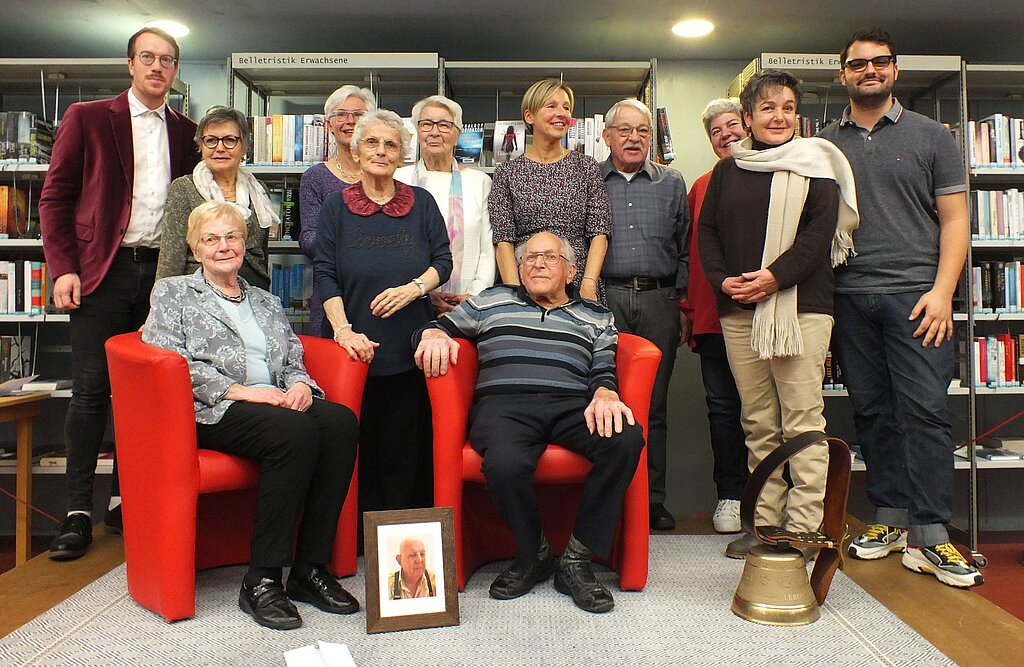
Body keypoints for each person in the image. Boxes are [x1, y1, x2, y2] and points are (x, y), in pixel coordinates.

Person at [142, 201, 360, 630]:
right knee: (294, 433)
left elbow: (292, 356)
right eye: (212, 239)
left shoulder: (265, 298)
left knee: (340, 423)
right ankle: (262, 579)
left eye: (233, 236)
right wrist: (243, 391)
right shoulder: (173, 293)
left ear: (245, 243)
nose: (224, 246)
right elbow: (167, 358)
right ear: (195, 248)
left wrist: (299, 385)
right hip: (214, 407)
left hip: (275, 401)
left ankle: (310, 569)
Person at [818, 28, 982, 588]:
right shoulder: (823, 142)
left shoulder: (933, 136)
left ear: (894, 70)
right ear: (843, 74)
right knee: (872, 412)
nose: (869, 70)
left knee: (926, 414)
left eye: (879, 62)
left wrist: (943, 292)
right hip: (849, 297)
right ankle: (888, 518)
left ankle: (932, 534)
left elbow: (956, 221)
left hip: (918, 298)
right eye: (857, 64)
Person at [413, 231, 645, 613]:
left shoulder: (596, 315)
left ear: (571, 271)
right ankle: (533, 552)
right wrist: (432, 334)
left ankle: (575, 561)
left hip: (572, 404)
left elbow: (604, 367)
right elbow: (438, 328)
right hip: (505, 405)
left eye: (550, 258)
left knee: (625, 438)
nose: (537, 263)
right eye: (530, 258)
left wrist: (605, 393)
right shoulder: (491, 300)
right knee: (504, 463)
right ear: (518, 269)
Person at [39, 26, 200, 561]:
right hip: (100, 274)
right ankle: (78, 514)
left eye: (168, 60)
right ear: (130, 64)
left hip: (163, 279)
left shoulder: (187, 131)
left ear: (176, 72)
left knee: (153, 397)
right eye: (148, 57)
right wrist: (63, 267)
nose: (158, 67)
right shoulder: (87, 117)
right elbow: (55, 198)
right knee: (90, 391)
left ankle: (131, 506)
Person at [698, 69, 858, 560]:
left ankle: (804, 527)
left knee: (803, 421)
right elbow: (708, 234)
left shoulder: (818, 164)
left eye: (787, 107)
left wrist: (773, 278)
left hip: (800, 308)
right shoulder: (729, 170)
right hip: (739, 310)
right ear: (747, 117)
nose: (779, 116)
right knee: (758, 422)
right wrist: (723, 279)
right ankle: (765, 524)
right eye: (767, 108)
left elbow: (817, 236)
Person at [314, 109, 452, 512]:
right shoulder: (336, 208)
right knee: (355, 443)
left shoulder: (422, 203)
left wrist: (412, 290)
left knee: (404, 444)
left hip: (409, 345)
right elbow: (325, 273)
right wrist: (342, 331)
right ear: (355, 152)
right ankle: (355, 539)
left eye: (391, 144)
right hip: (351, 347)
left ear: (402, 155)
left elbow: (442, 262)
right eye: (371, 142)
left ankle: (401, 530)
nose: (381, 151)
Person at [599, 99, 689, 532]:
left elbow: (686, 247)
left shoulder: (672, 183)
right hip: (604, 302)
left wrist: (683, 302)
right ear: (607, 137)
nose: (634, 138)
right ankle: (611, 501)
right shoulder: (589, 181)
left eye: (642, 131)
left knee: (653, 406)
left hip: (659, 302)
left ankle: (652, 501)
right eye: (624, 130)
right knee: (603, 400)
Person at [681, 98, 751, 535]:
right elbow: (689, 255)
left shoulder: (780, 173)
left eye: (732, 125)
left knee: (769, 412)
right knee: (723, 409)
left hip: (768, 315)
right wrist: (687, 309)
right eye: (716, 131)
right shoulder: (702, 186)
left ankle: (772, 497)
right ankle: (730, 495)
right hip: (713, 316)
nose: (725, 135)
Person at [489, 78, 612, 302]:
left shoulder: (586, 167)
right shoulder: (506, 172)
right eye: (552, 106)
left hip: (576, 283)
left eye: (566, 107)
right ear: (529, 116)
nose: (562, 113)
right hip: (526, 281)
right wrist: (514, 294)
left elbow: (599, 233)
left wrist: (588, 284)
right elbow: (503, 239)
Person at [156, 106, 277, 289]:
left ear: (244, 147)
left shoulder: (259, 191)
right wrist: (163, 301)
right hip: (199, 291)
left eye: (229, 140)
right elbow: (170, 258)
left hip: (252, 288)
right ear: (201, 146)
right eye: (211, 140)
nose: (219, 148)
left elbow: (261, 254)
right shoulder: (184, 188)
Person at [396, 95, 495, 315]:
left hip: (466, 305)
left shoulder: (479, 182)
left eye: (444, 125)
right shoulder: (397, 180)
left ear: (457, 133)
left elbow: (487, 249)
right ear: (417, 131)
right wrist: (419, 293)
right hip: (408, 303)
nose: (434, 132)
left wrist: (473, 298)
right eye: (426, 124)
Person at [299, 85, 377, 335]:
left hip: (382, 295)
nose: (350, 121)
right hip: (332, 293)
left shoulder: (386, 174)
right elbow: (309, 239)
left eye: (358, 114)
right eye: (341, 114)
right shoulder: (314, 178)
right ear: (329, 124)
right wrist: (361, 244)